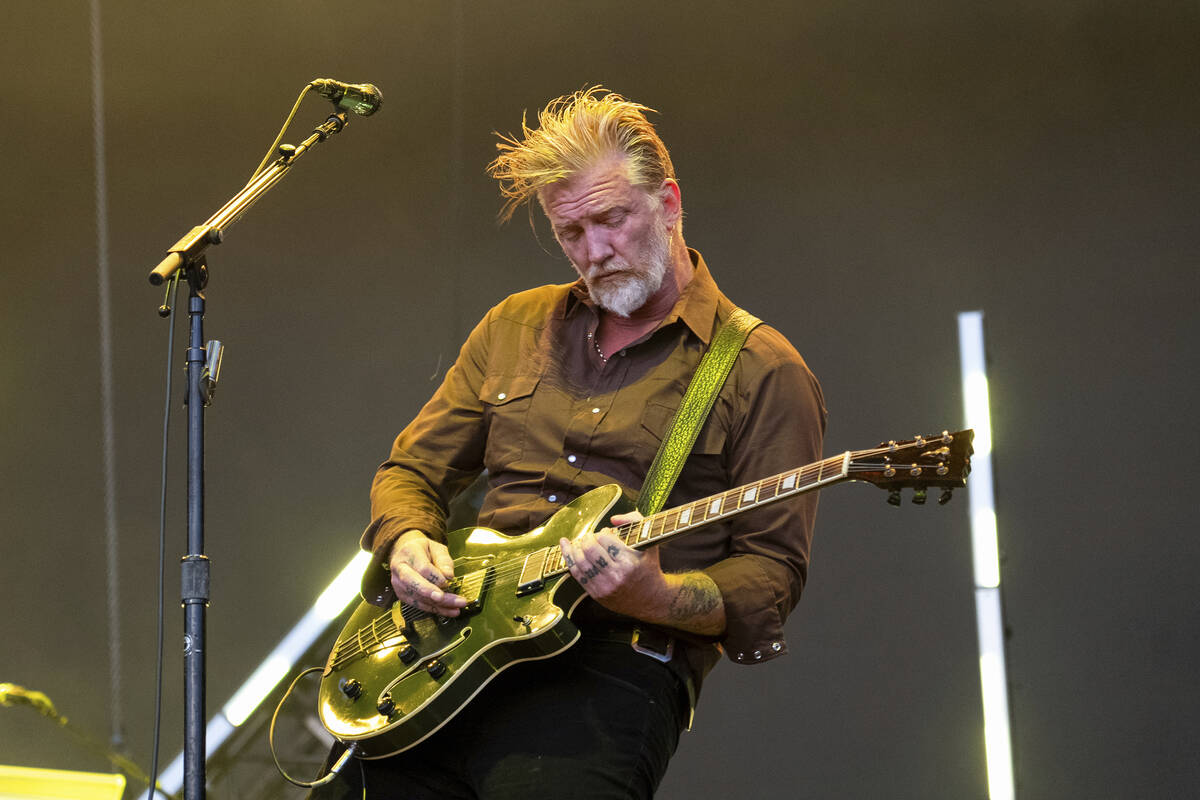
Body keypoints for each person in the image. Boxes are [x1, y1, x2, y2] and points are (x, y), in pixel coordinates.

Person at [311, 87, 826, 799]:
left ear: (669, 203)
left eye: (611, 220)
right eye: (570, 233)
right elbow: (412, 471)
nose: (595, 251)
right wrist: (404, 541)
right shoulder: (515, 324)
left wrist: (656, 594)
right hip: (446, 659)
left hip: (611, 672)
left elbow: (771, 579)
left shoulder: (763, 369)